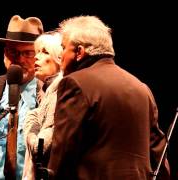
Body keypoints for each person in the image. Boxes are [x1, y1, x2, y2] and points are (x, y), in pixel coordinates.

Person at [47, 15, 170, 179]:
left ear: (79, 52)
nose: (60, 55)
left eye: (63, 48)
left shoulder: (75, 83)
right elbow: (158, 154)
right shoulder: (141, 88)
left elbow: (63, 154)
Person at [0, 15, 44, 180]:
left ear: (39, 55)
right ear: (5, 53)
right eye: (13, 51)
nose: (19, 59)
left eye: (28, 53)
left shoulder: (47, 94)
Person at [22, 32, 63, 180]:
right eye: (37, 52)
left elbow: (40, 148)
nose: (36, 57)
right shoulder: (48, 92)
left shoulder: (58, 92)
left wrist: (31, 117)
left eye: (45, 52)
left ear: (59, 59)